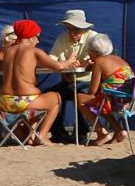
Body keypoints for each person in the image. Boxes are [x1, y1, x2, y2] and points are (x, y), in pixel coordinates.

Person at [0, 19, 78, 146]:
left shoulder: (8, 52)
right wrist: (70, 60)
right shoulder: (34, 51)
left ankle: (30, 136)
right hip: (24, 103)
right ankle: (41, 136)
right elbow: (58, 67)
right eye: (37, 37)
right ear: (30, 37)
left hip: (5, 103)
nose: (38, 40)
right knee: (56, 97)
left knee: (39, 101)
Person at [43, 9, 101, 141]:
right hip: (69, 81)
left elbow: (91, 62)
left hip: (89, 82)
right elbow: (50, 59)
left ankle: (81, 133)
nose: (72, 33)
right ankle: (58, 133)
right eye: (69, 29)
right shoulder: (62, 39)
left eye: (76, 30)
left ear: (84, 28)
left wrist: (67, 64)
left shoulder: (94, 38)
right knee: (50, 95)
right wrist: (65, 64)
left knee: (79, 95)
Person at [76, 33, 135, 146]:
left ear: (95, 52)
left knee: (80, 98)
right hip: (128, 100)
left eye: (90, 51)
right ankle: (118, 130)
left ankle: (102, 133)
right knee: (100, 100)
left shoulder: (99, 62)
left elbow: (92, 91)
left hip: (114, 101)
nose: (89, 54)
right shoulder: (119, 59)